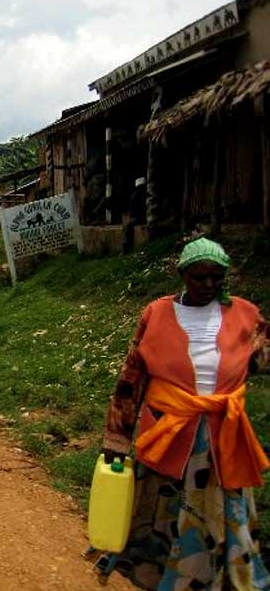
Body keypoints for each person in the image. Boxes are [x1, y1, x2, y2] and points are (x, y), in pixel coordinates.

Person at [93, 237, 270, 589]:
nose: (207, 285)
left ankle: (224, 576)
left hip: (223, 438)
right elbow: (131, 379)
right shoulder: (156, 314)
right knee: (164, 514)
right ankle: (164, 576)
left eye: (216, 277)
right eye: (198, 277)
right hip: (167, 433)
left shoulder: (246, 315)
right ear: (183, 276)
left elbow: (260, 359)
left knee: (223, 513)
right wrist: (117, 438)